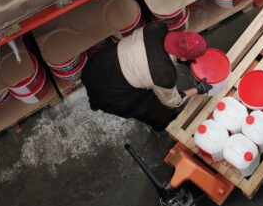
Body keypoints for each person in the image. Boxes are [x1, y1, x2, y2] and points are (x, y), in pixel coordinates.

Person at [82, 21, 212, 131]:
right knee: (156, 111)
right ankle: (164, 124)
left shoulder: (157, 27)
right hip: (111, 91)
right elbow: (173, 102)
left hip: (98, 63)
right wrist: (198, 89)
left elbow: (155, 50)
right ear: (183, 58)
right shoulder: (164, 75)